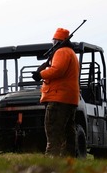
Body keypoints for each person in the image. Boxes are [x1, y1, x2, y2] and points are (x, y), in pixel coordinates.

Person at [31, 27, 80, 157]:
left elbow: (57, 70)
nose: (52, 43)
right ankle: (68, 160)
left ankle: (51, 158)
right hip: (70, 98)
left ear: (58, 41)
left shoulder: (61, 52)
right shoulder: (71, 53)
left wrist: (40, 74)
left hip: (58, 97)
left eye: (54, 41)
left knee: (53, 130)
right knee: (68, 131)